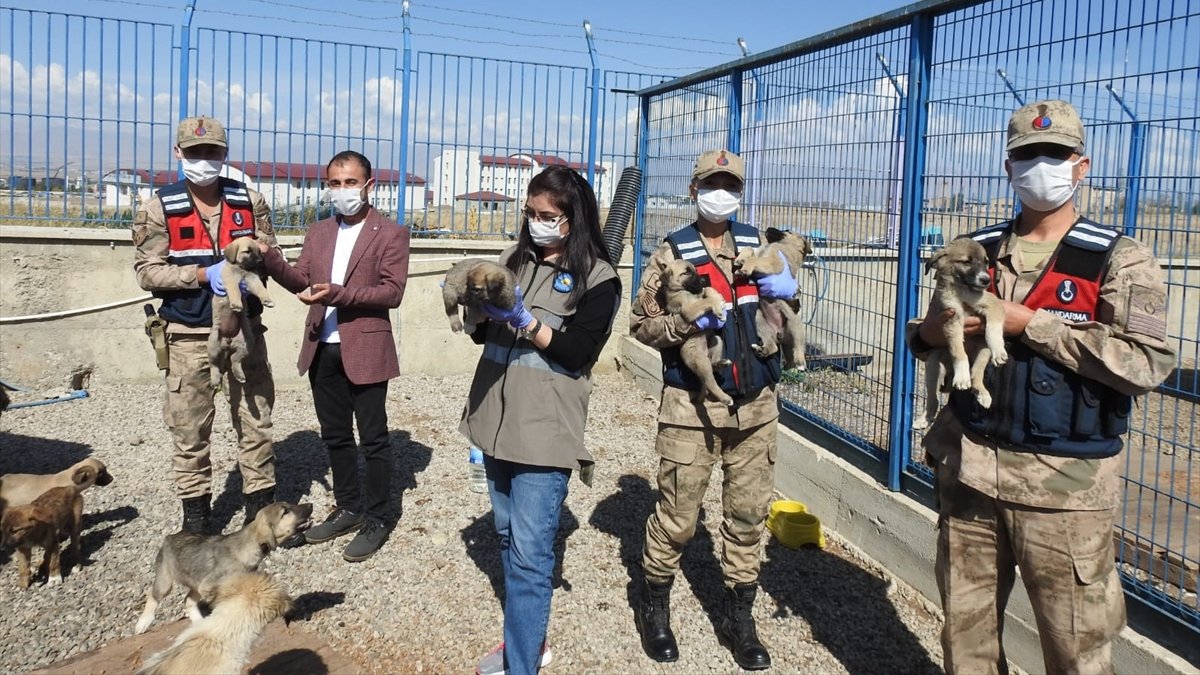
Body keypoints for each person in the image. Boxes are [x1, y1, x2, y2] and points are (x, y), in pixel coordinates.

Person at [907, 100, 1176, 674]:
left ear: (1081, 166)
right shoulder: (976, 250)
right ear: (1009, 168)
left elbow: (1148, 362)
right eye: (1027, 155)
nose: (1040, 166)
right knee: (967, 644)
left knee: (1075, 651)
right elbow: (930, 332)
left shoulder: (1120, 260)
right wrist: (927, 331)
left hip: (1065, 491)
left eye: (1055, 155)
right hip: (971, 470)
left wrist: (1034, 324)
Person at [630, 149, 796, 671]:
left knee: (747, 518)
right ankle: (654, 604)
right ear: (693, 189)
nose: (720, 193)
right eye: (711, 183)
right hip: (690, 407)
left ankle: (738, 616)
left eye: (730, 184)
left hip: (757, 405)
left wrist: (793, 291)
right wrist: (684, 328)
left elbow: (782, 310)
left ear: (741, 192)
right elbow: (641, 325)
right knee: (678, 518)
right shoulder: (671, 253)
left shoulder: (759, 245)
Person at [459, 165, 620, 675]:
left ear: (573, 219)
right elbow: (481, 336)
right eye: (529, 213)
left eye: (547, 216)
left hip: (545, 432)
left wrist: (528, 322)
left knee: (529, 558)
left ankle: (521, 665)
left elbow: (575, 353)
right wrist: (479, 313)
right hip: (493, 420)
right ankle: (529, 640)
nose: (536, 223)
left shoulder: (599, 277)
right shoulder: (512, 260)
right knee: (506, 537)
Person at [260, 150, 410, 562]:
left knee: (374, 438)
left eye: (349, 182)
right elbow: (303, 281)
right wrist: (271, 259)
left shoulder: (390, 233)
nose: (341, 191)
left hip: (365, 346)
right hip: (321, 346)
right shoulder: (320, 231)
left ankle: (379, 516)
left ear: (369, 185)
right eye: (334, 183)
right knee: (336, 435)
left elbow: (392, 292)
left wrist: (342, 294)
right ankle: (348, 507)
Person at [132, 116, 279, 534]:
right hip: (188, 333)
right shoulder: (158, 207)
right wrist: (200, 275)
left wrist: (258, 267)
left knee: (255, 419)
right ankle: (196, 520)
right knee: (190, 428)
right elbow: (146, 272)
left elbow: (270, 253)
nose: (204, 160)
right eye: (195, 153)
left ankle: (260, 510)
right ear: (179, 154)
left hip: (245, 329)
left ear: (224, 154)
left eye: (213, 152)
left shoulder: (249, 200)